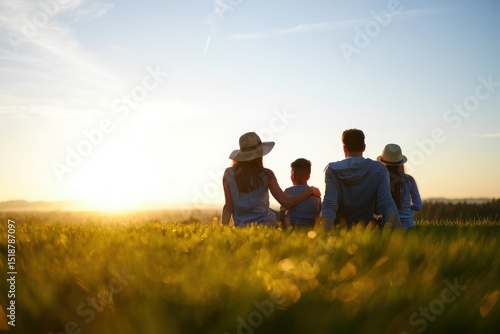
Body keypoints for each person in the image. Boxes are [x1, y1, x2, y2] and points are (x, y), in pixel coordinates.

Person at [221, 132, 321, 227]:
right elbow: (287, 203)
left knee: (274, 211)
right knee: (283, 215)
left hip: (241, 226)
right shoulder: (267, 175)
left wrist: (223, 230)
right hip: (266, 224)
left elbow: (228, 207)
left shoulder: (228, 174)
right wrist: (310, 190)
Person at [322, 129, 402, 230]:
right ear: (364, 147)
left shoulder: (332, 169)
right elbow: (387, 203)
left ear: (344, 148)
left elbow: (330, 203)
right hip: (367, 228)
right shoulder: (379, 169)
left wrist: (325, 235)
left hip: (339, 229)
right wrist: (400, 233)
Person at [377, 143, 422, 228]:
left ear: (383, 163)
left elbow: (378, 209)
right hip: (408, 225)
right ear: (401, 163)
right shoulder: (410, 180)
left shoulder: (381, 180)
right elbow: (418, 206)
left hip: (388, 226)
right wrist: (405, 206)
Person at [279, 158, 321, 228]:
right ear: (309, 176)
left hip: (292, 227)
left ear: (293, 175)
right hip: (310, 227)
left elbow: (281, 215)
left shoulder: (288, 191)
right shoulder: (317, 194)